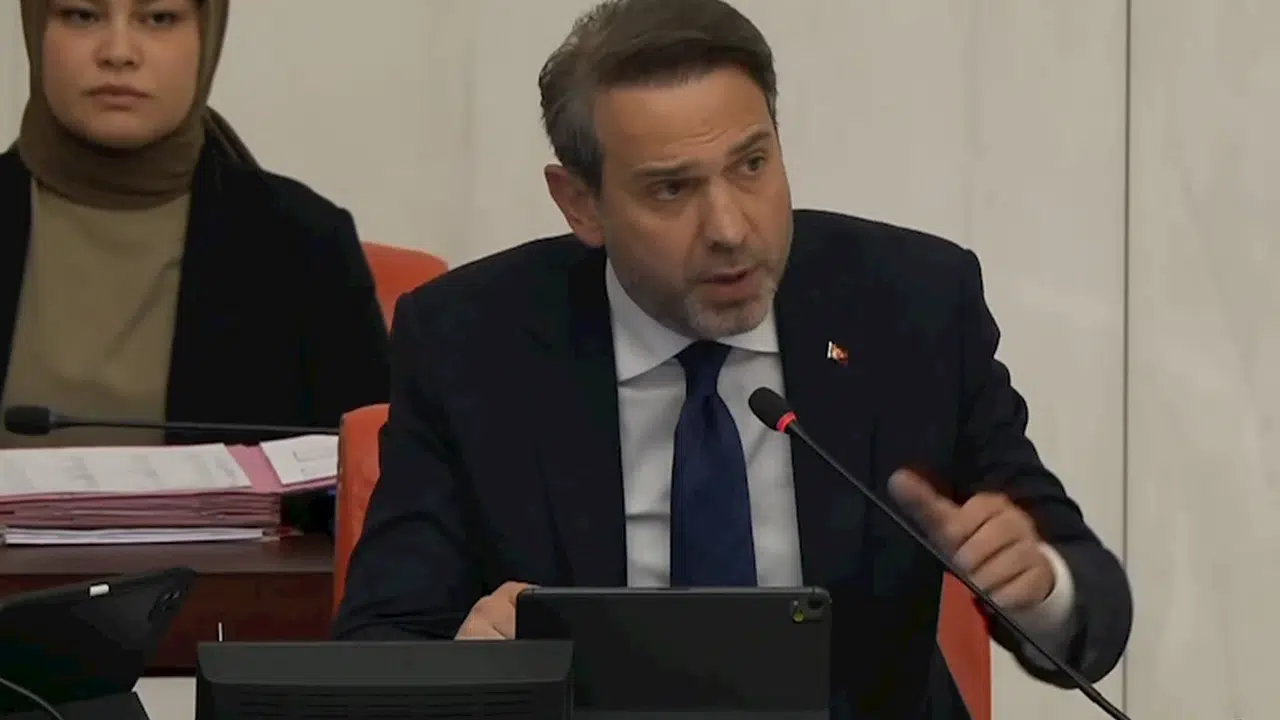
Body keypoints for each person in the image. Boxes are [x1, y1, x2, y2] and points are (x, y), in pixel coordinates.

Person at [334, 0, 1132, 715]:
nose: (729, 228)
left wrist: (1041, 587)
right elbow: (380, 642)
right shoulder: (473, 341)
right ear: (580, 203)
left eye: (752, 165)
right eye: (671, 190)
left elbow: (1086, 593)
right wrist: (468, 670)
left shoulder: (910, 308)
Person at [0, 0, 389, 533]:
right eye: (82, 15)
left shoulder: (303, 245)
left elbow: (381, 501)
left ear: (206, 35)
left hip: (234, 588)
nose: (118, 53)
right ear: (35, 30)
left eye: (159, 18)